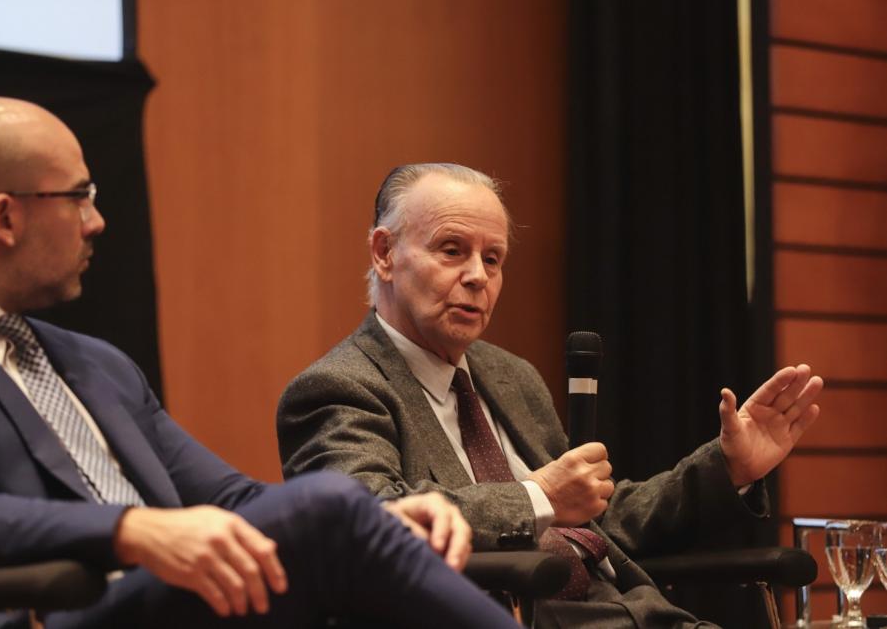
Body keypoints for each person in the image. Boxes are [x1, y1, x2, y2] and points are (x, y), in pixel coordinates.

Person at [0, 99, 523, 629]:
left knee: (341, 519)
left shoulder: (97, 365)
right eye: (78, 197)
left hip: (184, 603)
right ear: (5, 218)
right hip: (60, 612)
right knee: (328, 506)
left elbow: (236, 500)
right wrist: (127, 531)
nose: (96, 221)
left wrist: (387, 517)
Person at [277, 162, 824, 628]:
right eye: (451, 250)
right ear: (385, 253)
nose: (477, 277)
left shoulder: (509, 375)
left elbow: (597, 519)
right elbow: (368, 523)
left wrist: (728, 467)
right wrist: (537, 498)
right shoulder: (339, 388)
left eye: (492, 259)